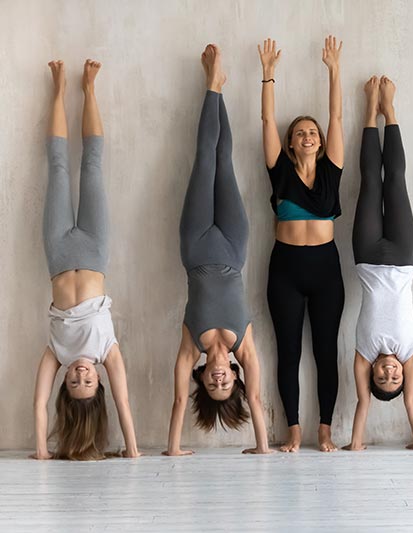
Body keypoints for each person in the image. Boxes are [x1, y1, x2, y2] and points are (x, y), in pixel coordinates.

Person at [165, 44, 271, 456]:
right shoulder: (245, 346)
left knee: (203, 161)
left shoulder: (191, 345)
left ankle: (213, 84)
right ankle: (218, 88)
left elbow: (177, 402)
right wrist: (262, 448)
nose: (219, 380)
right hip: (234, 246)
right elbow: (258, 402)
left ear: (204, 377)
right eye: (226, 384)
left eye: (212, 384)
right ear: (234, 377)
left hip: (194, 248)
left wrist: (173, 449)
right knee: (224, 159)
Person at [33, 59, 140, 460]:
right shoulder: (107, 350)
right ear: (99, 380)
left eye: (74, 381)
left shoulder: (55, 353)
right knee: (92, 165)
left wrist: (42, 451)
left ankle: (58, 90)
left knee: (59, 167)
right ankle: (90, 89)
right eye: (88, 381)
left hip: (58, 251)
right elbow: (125, 403)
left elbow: (39, 403)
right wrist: (131, 449)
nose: (80, 374)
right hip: (95, 249)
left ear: (65, 381)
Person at [259, 36, 344, 452]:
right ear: (290, 143)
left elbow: (338, 116)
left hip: (327, 269)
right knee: (288, 352)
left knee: (326, 352)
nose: (308, 135)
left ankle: (324, 429)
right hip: (286, 270)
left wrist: (333, 71)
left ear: (321, 141)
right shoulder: (279, 171)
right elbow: (265, 122)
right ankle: (293, 430)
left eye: (312, 132)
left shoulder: (332, 170)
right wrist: (268, 76)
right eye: (300, 133)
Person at [343, 76, 413, 451]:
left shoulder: (365, 352)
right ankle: (389, 110)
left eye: (383, 378)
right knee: (394, 180)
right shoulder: (410, 351)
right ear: (403, 374)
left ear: (372, 373)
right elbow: (411, 401)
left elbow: (363, 402)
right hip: (403, 255)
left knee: (369, 184)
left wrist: (356, 445)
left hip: (366, 256)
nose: (390, 372)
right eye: (395, 377)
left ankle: (368, 110)